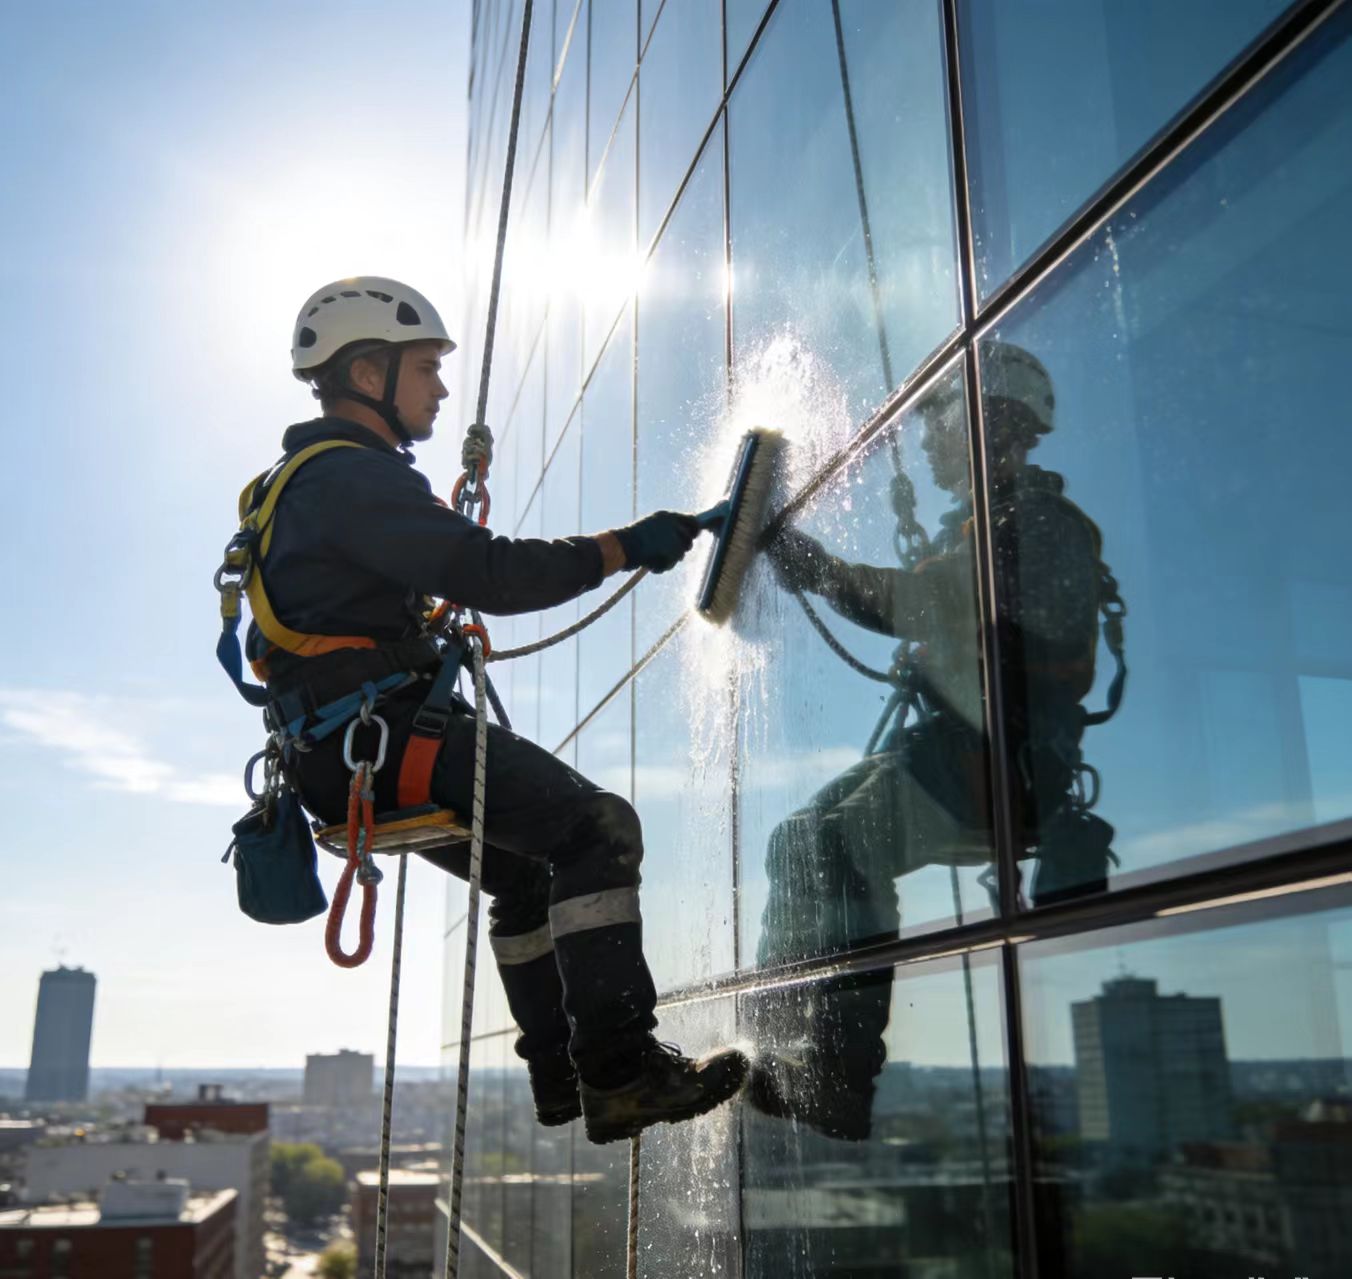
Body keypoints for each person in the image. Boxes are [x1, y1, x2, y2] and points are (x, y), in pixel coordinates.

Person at [232, 276, 747, 1145]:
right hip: (380, 737)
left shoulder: (301, 485)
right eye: (425, 368)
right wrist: (626, 545)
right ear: (368, 373)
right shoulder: (348, 477)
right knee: (597, 829)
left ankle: (563, 1076)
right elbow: (497, 575)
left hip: (342, 749)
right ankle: (621, 1069)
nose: (440, 388)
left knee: (528, 875)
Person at [748, 342, 1123, 1139]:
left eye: (938, 422)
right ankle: (775, 1039)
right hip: (959, 751)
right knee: (796, 840)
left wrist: (816, 567)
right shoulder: (994, 528)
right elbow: (952, 608)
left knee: (842, 844)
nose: (924, 442)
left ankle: (838, 1072)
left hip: (999, 765)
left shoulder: (1039, 527)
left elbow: (926, 599)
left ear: (989, 422)